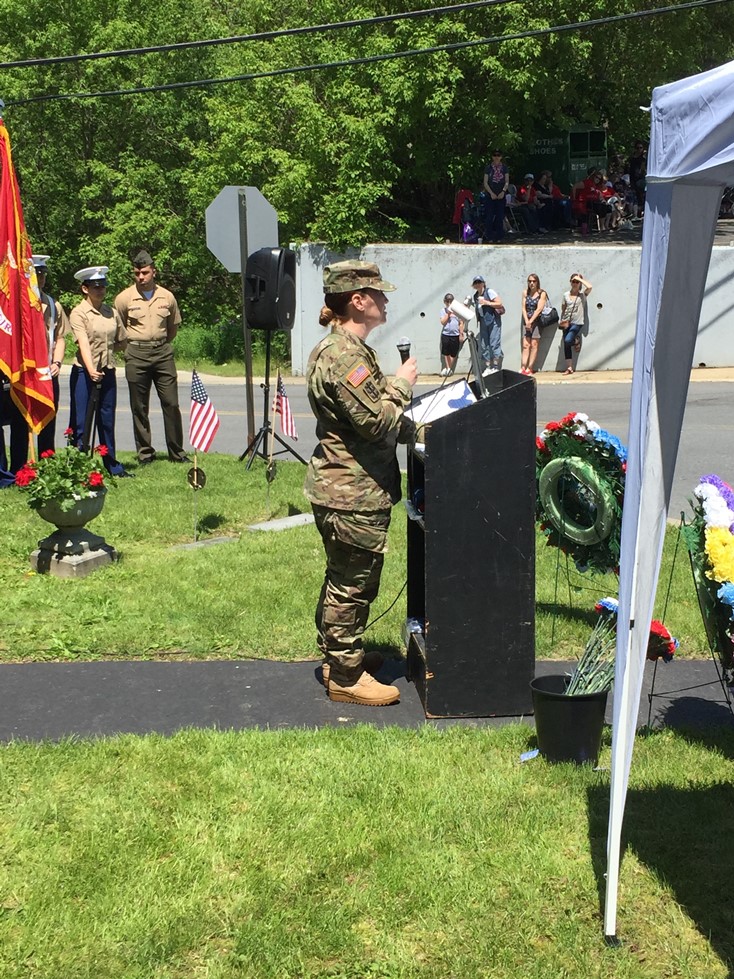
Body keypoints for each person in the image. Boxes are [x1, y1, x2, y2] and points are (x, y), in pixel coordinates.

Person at [304, 259, 417, 706]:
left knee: (344, 578)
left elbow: (370, 417)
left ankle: (339, 656)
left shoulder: (346, 350)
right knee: (353, 583)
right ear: (358, 300)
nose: (386, 301)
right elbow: (374, 421)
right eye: (380, 294)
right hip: (351, 494)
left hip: (350, 490)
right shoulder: (343, 355)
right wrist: (402, 384)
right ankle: (346, 678)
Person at [114, 250, 188, 465]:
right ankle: (145, 453)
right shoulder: (124, 298)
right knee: (139, 407)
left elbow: (172, 328)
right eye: (137, 273)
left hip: (162, 352)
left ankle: (177, 452)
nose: (141, 277)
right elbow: (118, 328)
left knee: (171, 403)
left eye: (145, 272)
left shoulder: (167, 297)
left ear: (154, 272)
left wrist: (161, 342)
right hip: (136, 353)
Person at [69, 266, 130, 476]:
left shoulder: (110, 312)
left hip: (107, 370)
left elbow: (122, 339)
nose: (101, 290)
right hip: (84, 373)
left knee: (106, 420)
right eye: (96, 287)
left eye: (103, 286)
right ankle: (78, 466)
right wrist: (91, 368)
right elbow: (83, 343)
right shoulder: (78, 313)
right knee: (81, 422)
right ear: (85, 289)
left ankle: (111, 465)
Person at [33, 255, 70, 455]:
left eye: (43, 274)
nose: (41, 278)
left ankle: (47, 460)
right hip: (26, 372)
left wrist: (57, 362)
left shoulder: (53, 305)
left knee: (49, 418)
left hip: (48, 370)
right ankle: (21, 466)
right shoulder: (18, 304)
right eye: (37, 274)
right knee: (22, 422)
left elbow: (60, 337)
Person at [559, 273, 593, 375]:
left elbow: (590, 287)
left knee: (568, 340)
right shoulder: (565, 295)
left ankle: (576, 340)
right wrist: (562, 320)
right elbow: (563, 308)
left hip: (577, 323)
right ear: (570, 282)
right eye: (573, 281)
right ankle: (569, 368)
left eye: (577, 282)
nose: (575, 283)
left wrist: (579, 279)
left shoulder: (582, 295)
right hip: (566, 322)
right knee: (566, 345)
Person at [471, 275, 504, 374]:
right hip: (483, 321)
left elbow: (499, 303)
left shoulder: (489, 292)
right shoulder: (475, 296)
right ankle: (488, 367)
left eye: (479, 282)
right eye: (476, 283)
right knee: (484, 345)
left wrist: (486, 302)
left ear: (483, 283)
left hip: (493, 320)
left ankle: (495, 367)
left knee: (494, 343)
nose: (478, 284)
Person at [520, 273, 548, 375]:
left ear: (537, 282)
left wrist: (531, 321)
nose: (532, 283)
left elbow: (539, 309)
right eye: (530, 281)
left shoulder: (542, 293)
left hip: (536, 322)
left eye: (534, 281)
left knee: (534, 344)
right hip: (526, 321)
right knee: (525, 344)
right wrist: (527, 321)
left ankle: (530, 368)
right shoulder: (525, 293)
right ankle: (523, 366)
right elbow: (523, 307)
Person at [482, 149, 509, 243]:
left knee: (499, 217)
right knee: (489, 217)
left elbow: (506, 181)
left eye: (498, 155)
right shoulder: (488, 168)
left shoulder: (504, 168)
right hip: (490, 196)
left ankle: (499, 237)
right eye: (494, 155)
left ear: (501, 157)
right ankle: (489, 237)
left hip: (501, 195)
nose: (496, 157)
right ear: (492, 157)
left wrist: (503, 192)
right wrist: (491, 193)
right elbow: (485, 182)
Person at [439, 293, 464, 376]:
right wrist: (448, 313)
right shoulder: (443, 311)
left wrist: (461, 334)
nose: (449, 303)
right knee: (446, 352)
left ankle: (449, 368)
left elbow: (461, 323)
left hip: (455, 334)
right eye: (447, 301)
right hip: (446, 334)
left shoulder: (457, 312)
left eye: (451, 301)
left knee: (453, 353)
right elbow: (443, 322)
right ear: (444, 302)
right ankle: (448, 368)